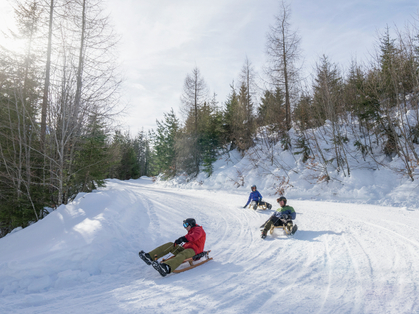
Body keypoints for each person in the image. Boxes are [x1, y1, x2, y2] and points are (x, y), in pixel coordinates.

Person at [139, 218, 206, 277]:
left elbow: (193, 237)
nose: (184, 227)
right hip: (186, 249)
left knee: (183, 254)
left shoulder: (198, 230)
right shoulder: (191, 230)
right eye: (183, 225)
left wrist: (183, 238)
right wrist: (177, 242)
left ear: (191, 224)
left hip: (194, 251)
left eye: (185, 225)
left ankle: (166, 268)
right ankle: (150, 257)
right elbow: (189, 238)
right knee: (171, 245)